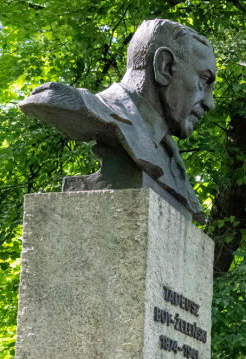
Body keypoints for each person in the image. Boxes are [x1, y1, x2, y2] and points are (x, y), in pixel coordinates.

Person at [18, 19, 216, 220]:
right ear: (164, 66)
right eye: (204, 81)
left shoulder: (174, 165)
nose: (210, 103)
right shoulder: (74, 102)